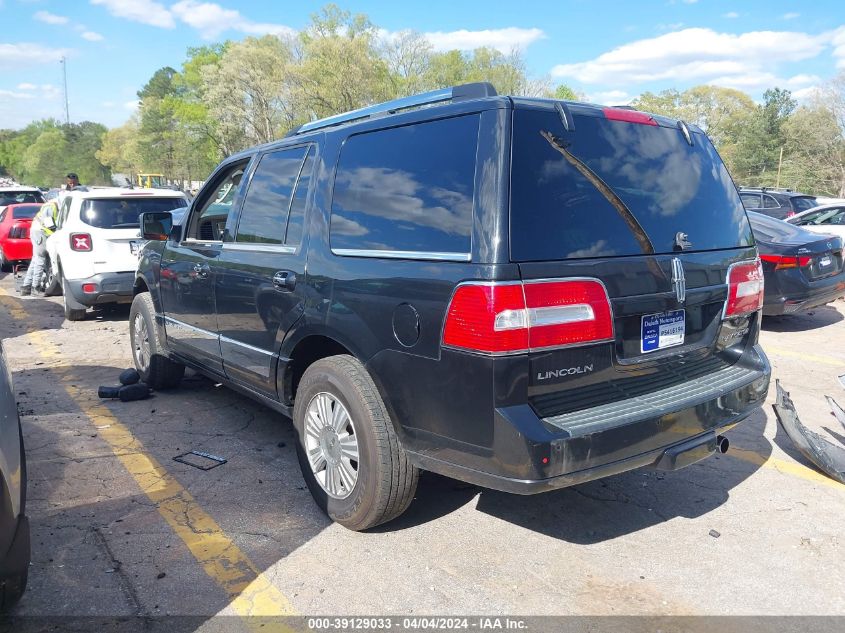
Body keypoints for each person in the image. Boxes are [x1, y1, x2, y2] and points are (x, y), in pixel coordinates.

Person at [19, 200, 59, 296]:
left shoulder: (51, 204)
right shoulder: (52, 205)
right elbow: (50, 224)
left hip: (38, 231)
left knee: (35, 259)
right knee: (40, 259)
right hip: (41, 232)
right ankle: (35, 288)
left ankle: (26, 287)